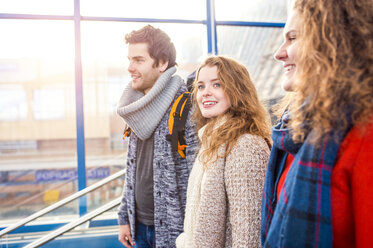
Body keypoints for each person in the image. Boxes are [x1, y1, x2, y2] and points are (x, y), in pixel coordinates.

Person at [261, 0, 373, 247]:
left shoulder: (363, 134)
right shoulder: (295, 131)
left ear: (333, 41)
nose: (279, 53)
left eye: (292, 38)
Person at [176, 55, 272, 248]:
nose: (206, 93)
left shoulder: (246, 144)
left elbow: (248, 235)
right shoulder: (212, 139)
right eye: (201, 86)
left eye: (217, 84)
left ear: (238, 90)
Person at [116, 25, 198, 248]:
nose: (130, 67)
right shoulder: (137, 107)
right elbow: (132, 168)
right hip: (138, 226)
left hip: (175, 231)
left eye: (138, 60)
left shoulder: (187, 108)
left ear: (162, 63)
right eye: (129, 59)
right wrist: (124, 217)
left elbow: (197, 179)